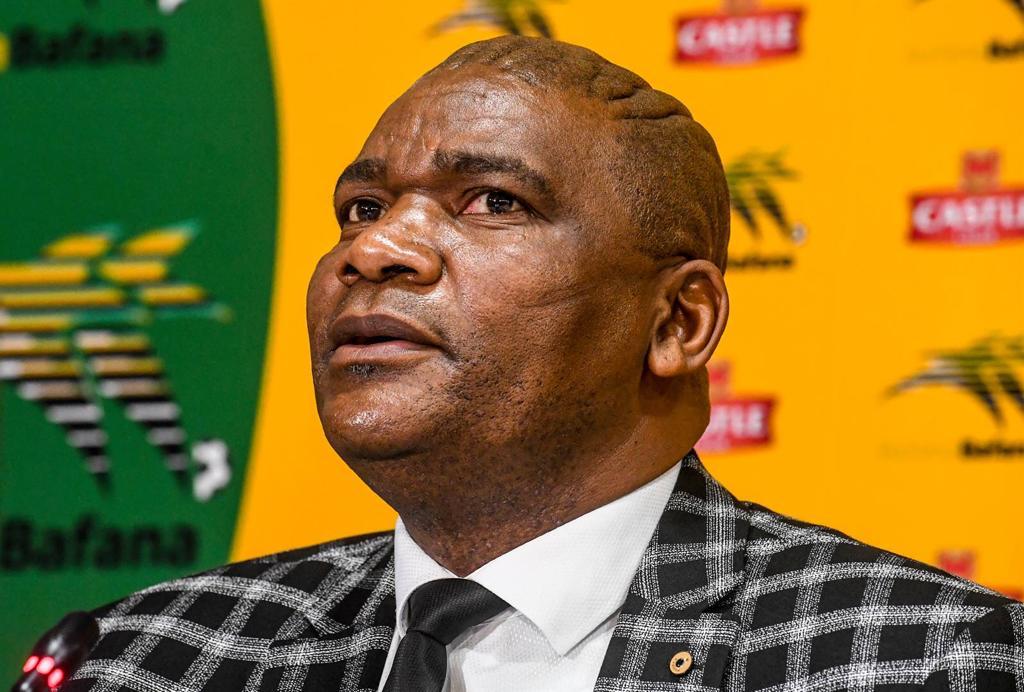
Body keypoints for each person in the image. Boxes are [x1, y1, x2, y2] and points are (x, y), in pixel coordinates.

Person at [32, 36, 1022, 692]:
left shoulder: (926, 660)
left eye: (494, 202)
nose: (374, 249)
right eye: (361, 208)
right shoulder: (143, 663)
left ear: (678, 321)